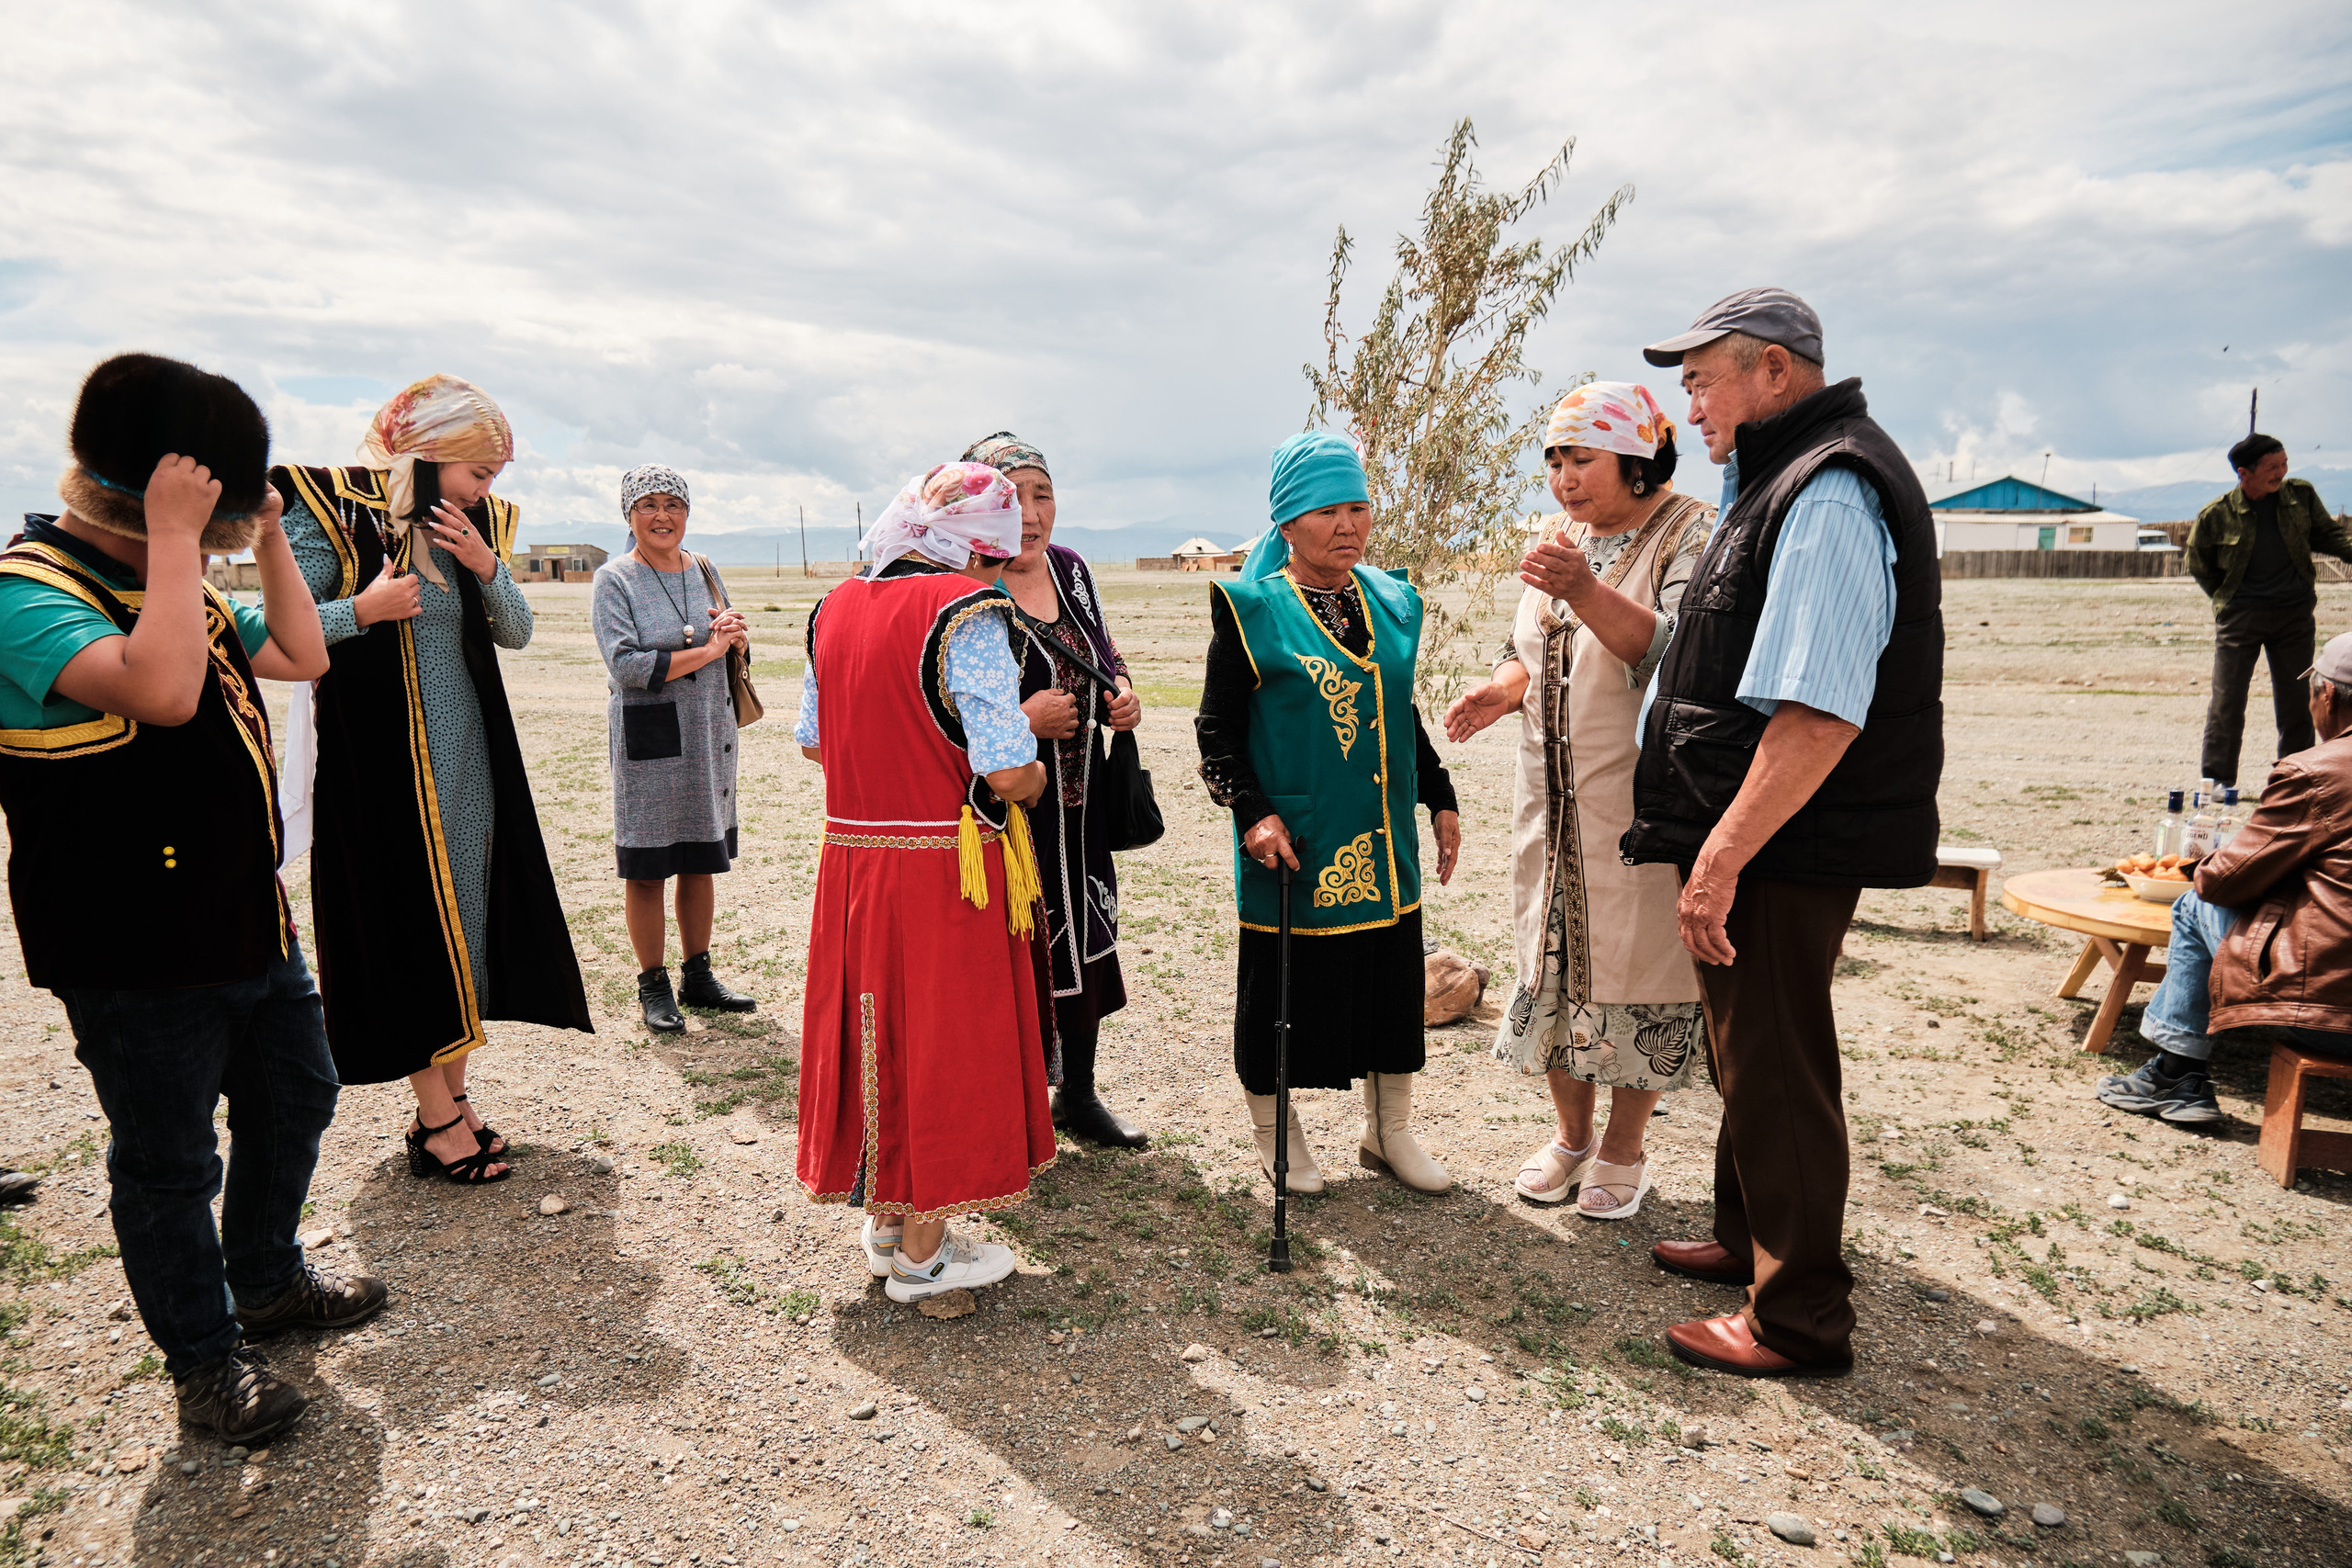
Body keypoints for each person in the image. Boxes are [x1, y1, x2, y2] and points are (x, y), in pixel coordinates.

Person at [0, 354, 384, 1442]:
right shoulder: (24, 591)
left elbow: (304, 654)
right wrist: (179, 544)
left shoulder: (186, 590)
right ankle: (206, 1361)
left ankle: (263, 1276)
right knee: (168, 1160)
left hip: (244, 921)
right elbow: (163, 694)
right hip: (127, 945)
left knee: (297, 1098)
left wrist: (266, 540)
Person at [1623, 288, 1944, 1378]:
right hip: (1761, 833)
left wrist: (1720, 857)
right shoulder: (1776, 478)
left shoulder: (1829, 487)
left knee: (1781, 1064)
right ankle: (1748, 1242)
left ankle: (1797, 1318)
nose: (1690, 404)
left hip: (1779, 841)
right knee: (1745, 1048)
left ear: (1773, 373)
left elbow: (1816, 709)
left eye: (1703, 379)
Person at [276, 375, 591, 1185]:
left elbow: (516, 632)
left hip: (467, 759)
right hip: (377, 765)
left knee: (464, 915)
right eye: (478, 471)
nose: (487, 489)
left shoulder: (475, 526)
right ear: (427, 453)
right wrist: (366, 609)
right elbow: (288, 632)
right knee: (406, 919)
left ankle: (450, 1095)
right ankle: (436, 1115)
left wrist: (487, 564)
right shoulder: (329, 508)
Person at [1443, 383, 1715, 1220]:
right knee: (1550, 957)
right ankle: (1570, 1135)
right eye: (1554, 459)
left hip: (1641, 801)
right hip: (1550, 804)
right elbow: (1523, 643)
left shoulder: (1689, 533)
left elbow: (1678, 656)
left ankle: (1626, 1145)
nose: (1562, 477)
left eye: (1581, 458)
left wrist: (1586, 590)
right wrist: (1501, 688)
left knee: (1638, 967)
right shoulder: (1563, 538)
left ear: (1638, 458)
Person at [794, 461, 1057, 1303]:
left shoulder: (834, 606)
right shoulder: (965, 611)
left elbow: (812, 740)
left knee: (874, 1030)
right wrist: (1034, 778)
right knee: (946, 1041)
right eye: (992, 553)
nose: (993, 571)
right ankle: (924, 1252)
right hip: (948, 866)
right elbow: (1007, 765)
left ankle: (884, 1221)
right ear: (970, 545)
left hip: (854, 862)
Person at [1195, 433, 1463, 1195]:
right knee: (1282, 997)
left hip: (1385, 847)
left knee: (1386, 986)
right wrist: (1252, 814)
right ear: (1286, 522)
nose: (1348, 524)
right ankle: (1277, 1137)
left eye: (1357, 507)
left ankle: (1391, 1131)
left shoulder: (1391, 599)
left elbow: (1400, 711)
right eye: (1326, 510)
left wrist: (1437, 791)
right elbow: (1216, 731)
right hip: (1298, 845)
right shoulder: (1252, 613)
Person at [961, 431, 1148, 1148]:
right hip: (1012, 807)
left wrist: (1121, 691)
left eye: (1042, 494)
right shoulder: (971, 583)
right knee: (1017, 948)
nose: (1031, 512)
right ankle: (1014, 1102)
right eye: (1012, 497)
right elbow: (947, 706)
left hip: (1082, 799)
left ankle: (1080, 1093)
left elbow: (1104, 651)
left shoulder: (1071, 571)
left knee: (1085, 940)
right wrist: (1026, 719)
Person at [2098, 631, 2352, 1123]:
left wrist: (2205, 867)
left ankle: (2175, 1074)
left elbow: (2223, 882)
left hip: (2332, 1017)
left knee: (2196, 905)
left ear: (2325, 695)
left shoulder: (2320, 772)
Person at [592, 464, 760, 1033]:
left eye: (673, 504)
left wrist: (732, 635)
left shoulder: (706, 569)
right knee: (646, 869)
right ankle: (654, 986)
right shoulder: (614, 579)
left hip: (710, 734)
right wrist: (709, 652)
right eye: (648, 505)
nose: (662, 515)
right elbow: (627, 666)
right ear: (629, 515)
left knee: (699, 858)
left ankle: (699, 976)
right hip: (650, 737)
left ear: (687, 513)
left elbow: (723, 639)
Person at [2187, 434, 2352, 787]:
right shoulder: (2215, 515)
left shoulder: (2301, 496)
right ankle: (2216, 785)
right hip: (2240, 619)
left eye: (2284, 463)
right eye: (2272, 467)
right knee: (2227, 704)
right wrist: (2228, 599)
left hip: (2294, 616)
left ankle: (2293, 784)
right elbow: (2199, 563)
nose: (2282, 472)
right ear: (2244, 473)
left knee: (2296, 705)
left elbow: (2331, 536)